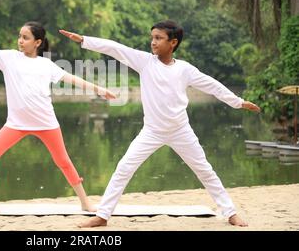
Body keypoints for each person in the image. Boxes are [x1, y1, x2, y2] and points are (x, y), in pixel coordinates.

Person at [59, 20, 261, 227]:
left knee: (205, 171)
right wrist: (84, 40)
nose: (153, 42)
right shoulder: (145, 62)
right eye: (152, 38)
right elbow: (115, 48)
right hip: (152, 131)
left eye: (158, 38)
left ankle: (230, 213)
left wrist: (238, 102)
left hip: (181, 131)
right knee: (123, 168)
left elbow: (212, 85)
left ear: (173, 42)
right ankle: (102, 216)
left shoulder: (185, 69)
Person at [0, 21, 116, 215]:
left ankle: (85, 202)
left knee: (63, 161)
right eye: (20, 36)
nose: (20, 41)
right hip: (16, 124)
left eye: (25, 37)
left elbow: (71, 79)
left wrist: (99, 89)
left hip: (46, 123)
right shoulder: (9, 58)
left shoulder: (45, 64)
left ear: (37, 42)